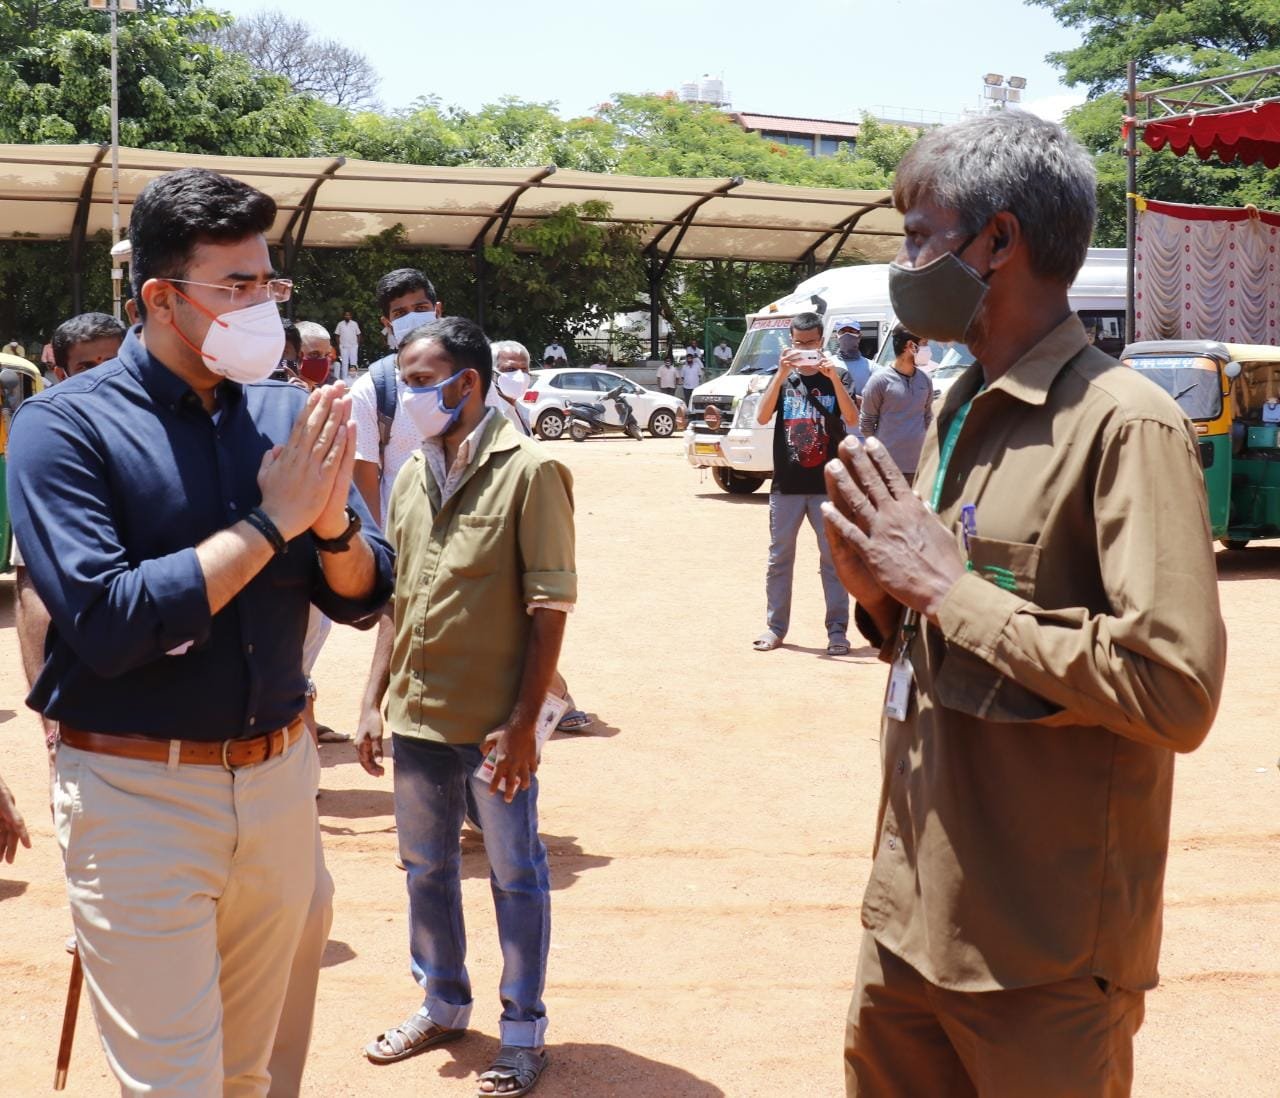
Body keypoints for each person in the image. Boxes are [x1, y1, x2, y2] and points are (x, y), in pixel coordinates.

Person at [824, 110, 1227, 1098]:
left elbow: (1172, 688)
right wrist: (879, 600)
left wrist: (945, 589)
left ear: (996, 241)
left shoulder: (1123, 427)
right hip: (908, 928)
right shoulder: (960, 406)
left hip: (1039, 958)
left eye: (920, 234)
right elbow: (947, 641)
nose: (905, 258)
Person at [6, 166, 394, 1096]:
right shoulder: (65, 430)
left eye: (268, 283)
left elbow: (364, 592)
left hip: (279, 784)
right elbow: (106, 621)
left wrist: (329, 523)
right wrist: (269, 525)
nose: (260, 304)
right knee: (176, 1084)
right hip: (137, 793)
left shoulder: (283, 413)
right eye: (235, 285)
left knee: (244, 1076)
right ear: (160, 297)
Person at [358, 317, 573, 1098]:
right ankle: (443, 1001)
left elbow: (549, 605)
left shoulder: (531, 470)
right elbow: (398, 599)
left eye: (421, 380)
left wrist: (521, 727)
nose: (408, 396)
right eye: (405, 381)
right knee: (425, 869)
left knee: (516, 875)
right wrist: (373, 699)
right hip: (417, 718)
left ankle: (522, 1031)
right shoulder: (412, 470)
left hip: (492, 728)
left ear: (468, 383)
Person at [15, 313, 128, 770]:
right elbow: (34, 595)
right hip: (88, 699)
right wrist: (50, 712)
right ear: (60, 374)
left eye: (114, 361)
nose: (104, 374)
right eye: (88, 366)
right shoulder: (50, 451)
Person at [751, 311, 857, 657]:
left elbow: (853, 418)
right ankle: (775, 628)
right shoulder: (783, 378)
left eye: (810, 344)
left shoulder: (838, 375)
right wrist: (782, 372)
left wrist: (834, 380)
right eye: (798, 343)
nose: (805, 350)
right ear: (790, 342)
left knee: (833, 560)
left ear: (822, 341)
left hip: (827, 485)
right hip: (786, 485)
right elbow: (762, 416)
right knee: (779, 558)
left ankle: (837, 631)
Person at [351, 267, 444, 527]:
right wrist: (378, 552)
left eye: (420, 307)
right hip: (404, 542)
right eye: (400, 313)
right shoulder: (371, 389)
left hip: (470, 538)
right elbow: (364, 478)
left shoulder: (471, 378)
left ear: (437, 310)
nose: (412, 317)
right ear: (388, 323)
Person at [856, 325, 934, 484]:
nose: (928, 349)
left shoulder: (925, 380)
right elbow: (867, 424)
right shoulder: (879, 381)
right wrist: (879, 457)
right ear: (911, 346)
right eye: (924, 343)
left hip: (918, 468)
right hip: (887, 470)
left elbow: (927, 418)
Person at [833, 321, 874, 399]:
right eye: (843, 331)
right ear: (836, 337)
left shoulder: (872, 368)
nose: (847, 334)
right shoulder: (827, 364)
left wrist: (860, 401)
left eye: (852, 331)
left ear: (859, 337)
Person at [335, 309, 361, 378]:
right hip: (343, 346)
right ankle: (344, 378)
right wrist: (339, 345)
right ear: (344, 316)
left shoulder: (354, 323)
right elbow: (337, 335)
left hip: (353, 346)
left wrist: (357, 344)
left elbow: (358, 334)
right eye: (346, 315)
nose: (347, 316)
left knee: (354, 362)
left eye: (348, 315)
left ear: (351, 316)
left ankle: (354, 377)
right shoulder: (340, 324)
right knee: (344, 363)